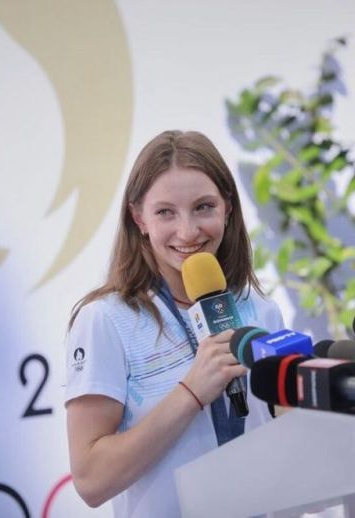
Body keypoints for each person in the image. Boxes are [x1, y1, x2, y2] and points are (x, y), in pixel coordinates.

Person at [64, 130, 284, 517]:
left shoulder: (260, 312)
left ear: (227, 208)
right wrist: (191, 391)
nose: (188, 232)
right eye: (166, 212)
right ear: (139, 218)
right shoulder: (106, 320)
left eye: (203, 207)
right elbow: (91, 481)